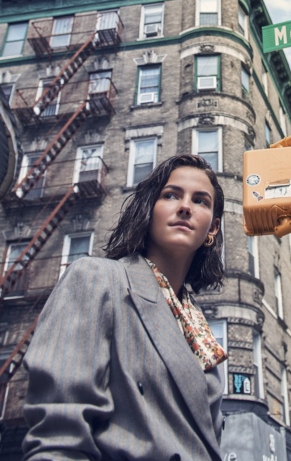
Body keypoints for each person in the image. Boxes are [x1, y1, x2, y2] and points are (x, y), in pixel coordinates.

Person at [23, 154, 227, 461]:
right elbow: (58, 438)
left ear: (212, 228)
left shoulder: (198, 330)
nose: (185, 206)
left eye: (200, 201)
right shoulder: (97, 279)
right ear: (150, 209)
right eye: (171, 195)